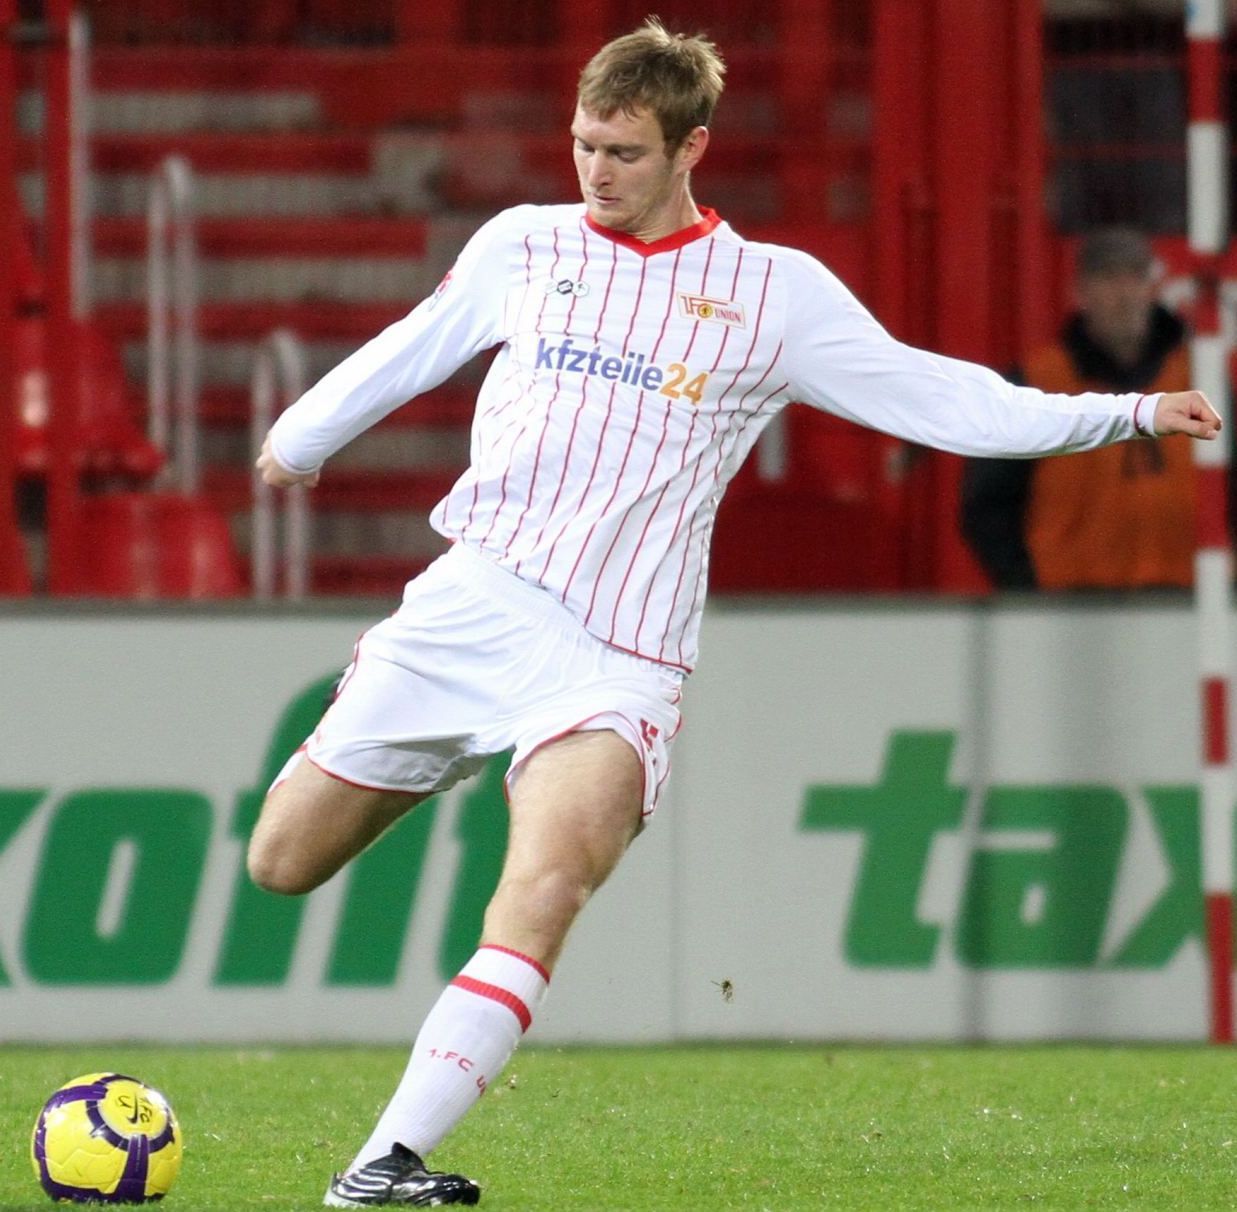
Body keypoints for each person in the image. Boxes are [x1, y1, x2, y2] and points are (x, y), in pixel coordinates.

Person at [249, 19, 1221, 1208]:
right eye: (582, 144)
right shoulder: (524, 245)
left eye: (623, 152)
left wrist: (1123, 413)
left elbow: (939, 398)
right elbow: (414, 347)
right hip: (471, 607)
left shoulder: (774, 296)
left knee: (543, 892)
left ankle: (380, 1166)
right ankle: (446, 751)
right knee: (280, 862)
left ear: (689, 149)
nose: (594, 171)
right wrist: (300, 437)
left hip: (616, 658)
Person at [960, 227, 1195, 590]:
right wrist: (1026, 589)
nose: (1125, 294)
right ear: (1080, 293)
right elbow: (988, 505)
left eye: (1136, 277)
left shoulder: (1195, 379)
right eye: (1109, 278)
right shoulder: (1038, 385)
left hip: (1188, 598)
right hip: (1071, 601)